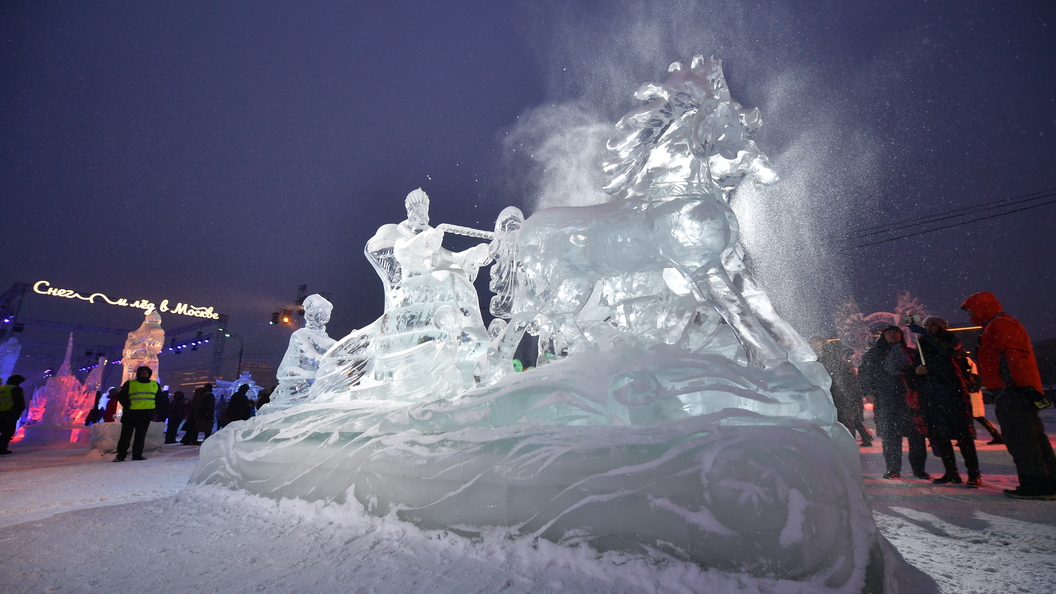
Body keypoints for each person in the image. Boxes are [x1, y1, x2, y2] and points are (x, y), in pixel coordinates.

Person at [961, 292, 1056, 500]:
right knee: (1032, 436)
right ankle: (1048, 481)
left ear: (982, 307)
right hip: (1015, 388)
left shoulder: (999, 324)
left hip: (1012, 390)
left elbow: (1013, 355)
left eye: (972, 311)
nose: (970, 317)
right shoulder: (1000, 324)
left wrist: (1019, 385)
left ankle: (1036, 484)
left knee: (1020, 438)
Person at [910, 317, 981, 487]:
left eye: (934, 324)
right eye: (927, 325)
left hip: (953, 394)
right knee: (941, 436)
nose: (930, 328)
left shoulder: (950, 340)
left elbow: (947, 353)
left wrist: (926, 335)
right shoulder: (923, 345)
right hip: (933, 396)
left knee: (963, 436)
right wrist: (917, 371)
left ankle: (973, 474)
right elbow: (920, 368)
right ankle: (951, 472)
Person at [859, 326, 929, 479]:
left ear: (900, 335)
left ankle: (918, 469)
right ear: (883, 335)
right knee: (890, 437)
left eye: (895, 332)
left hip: (909, 400)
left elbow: (919, 376)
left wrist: (919, 373)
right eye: (889, 332)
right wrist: (868, 392)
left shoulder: (910, 353)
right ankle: (893, 468)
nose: (892, 335)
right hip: (886, 400)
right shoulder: (873, 354)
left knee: (916, 436)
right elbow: (864, 374)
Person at [810, 335, 872, 446]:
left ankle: (850, 443)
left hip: (839, 392)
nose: (813, 345)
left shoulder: (828, 356)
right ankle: (858, 439)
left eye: (815, 342)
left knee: (847, 419)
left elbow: (840, 376)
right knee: (850, 418)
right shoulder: (828, 355)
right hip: (839, 392)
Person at [113, 366, 161, 462]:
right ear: (138, 374)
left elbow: (159, 398)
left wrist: (155, 410)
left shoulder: (154, 384)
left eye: (146, 373)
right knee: (126, 436)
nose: (144, 374)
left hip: (145, 414)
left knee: (140, 436)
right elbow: (121, 396)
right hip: (131, 414)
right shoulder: (130, 384)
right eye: (142, 372)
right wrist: (127, 406)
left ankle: (137, 454)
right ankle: (121, 455)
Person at [965, 355, 1003, 444]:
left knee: (970, 416)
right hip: (973, 391)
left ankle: (968, 437)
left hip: (970, 391)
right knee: (977, 416)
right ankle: (995, 434)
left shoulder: (965, 361)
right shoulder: (969, 361)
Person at [0, 374, 28, 455]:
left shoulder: (2, 387)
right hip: (9, 412)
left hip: (1, 412)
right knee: (7, 432)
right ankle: (2, 449)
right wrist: (18, 412)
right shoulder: (16, 389)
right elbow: (19, 402)